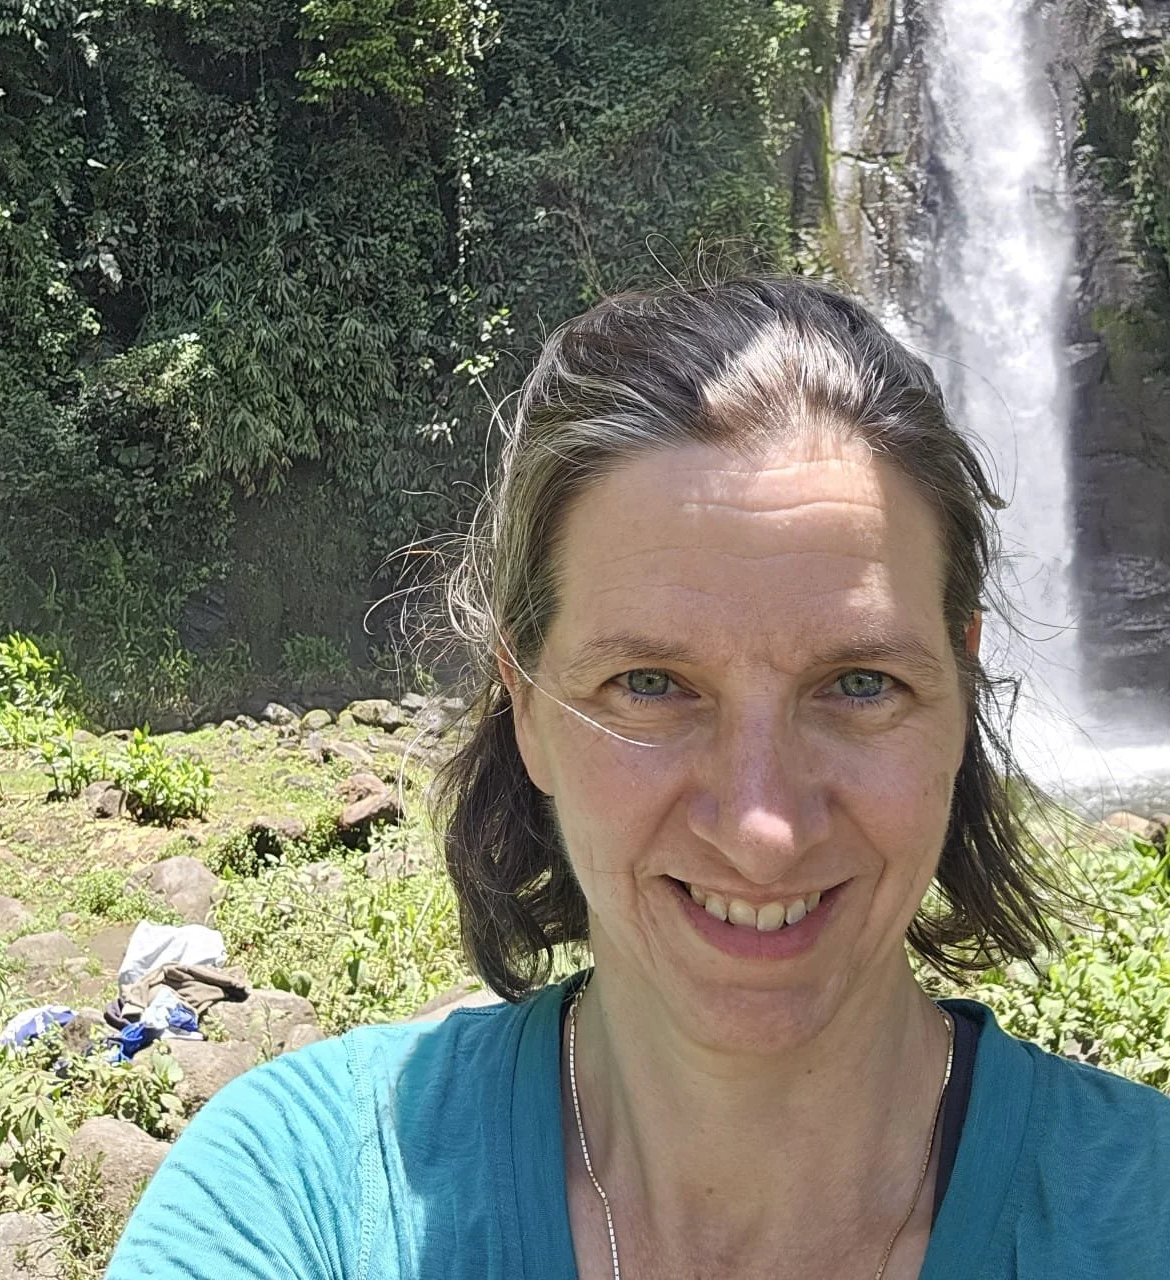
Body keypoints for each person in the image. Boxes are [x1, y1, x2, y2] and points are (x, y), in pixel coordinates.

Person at [107, 275, 1170, 1280]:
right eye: (652, 683)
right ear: (525, 703)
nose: (763, 827)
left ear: (960, 683)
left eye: (858, 681)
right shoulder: (302, 1201)